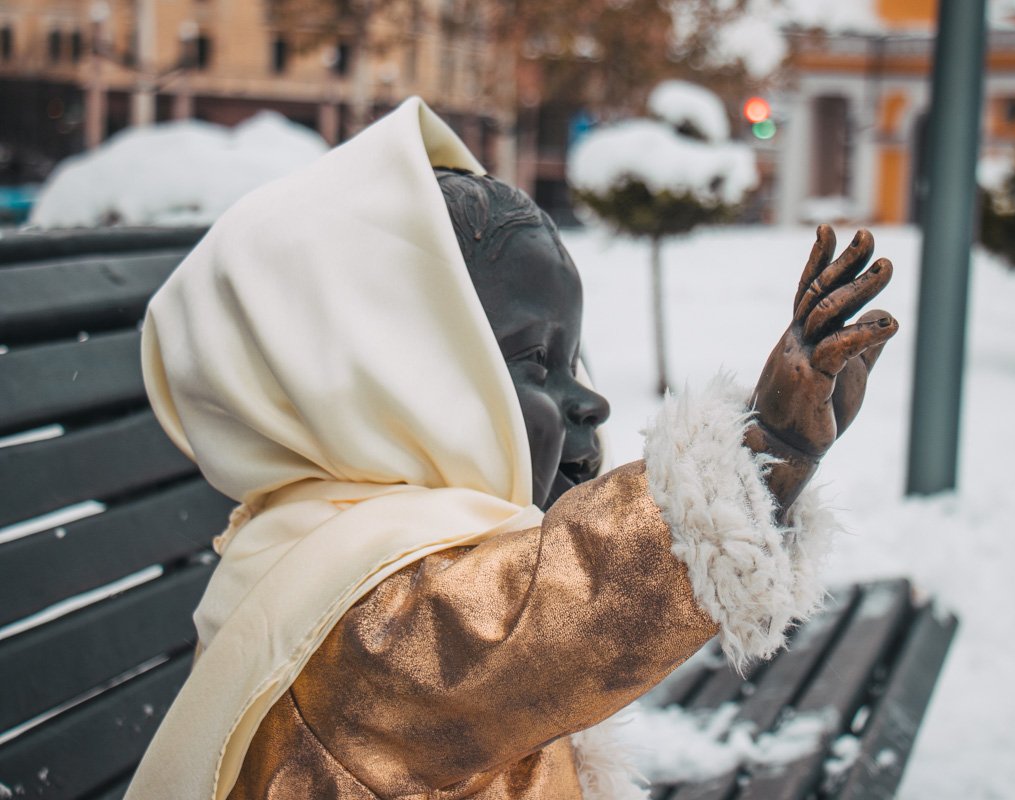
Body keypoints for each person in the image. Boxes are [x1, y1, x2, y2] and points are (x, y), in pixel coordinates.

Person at [126, 98, 896, 800]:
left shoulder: (343, 544)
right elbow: (551, 612)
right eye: (533, 361)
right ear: (382, 386)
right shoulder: (357, 625)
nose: (589, 397)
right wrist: (767, 452)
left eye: (573, 355)